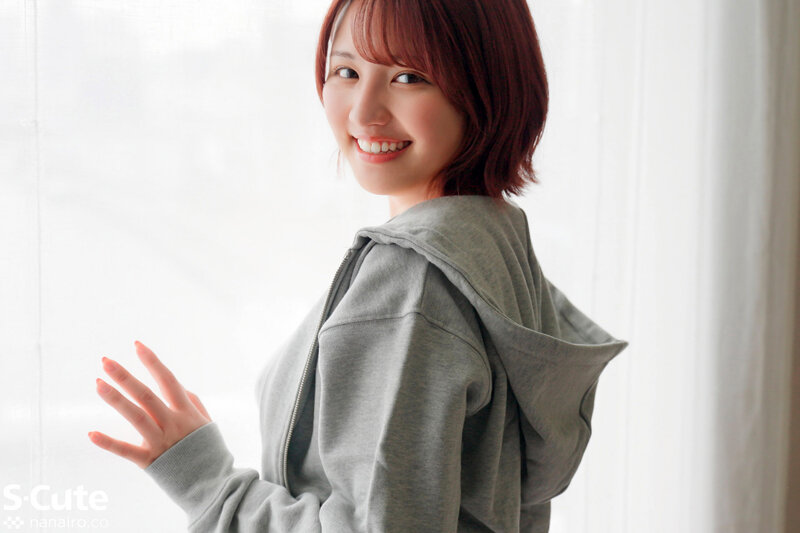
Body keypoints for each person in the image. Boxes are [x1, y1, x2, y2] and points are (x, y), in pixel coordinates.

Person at [88, 0, 630, 531]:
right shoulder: (495, 250)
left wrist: (206, 483)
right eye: (346, 71)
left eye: (409, 77)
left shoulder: (413, 283)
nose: (363, 112)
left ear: (487, 87)